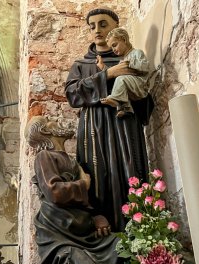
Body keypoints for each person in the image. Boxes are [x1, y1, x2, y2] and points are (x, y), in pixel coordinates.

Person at [65, 8, 149, 232]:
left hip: (125, 124)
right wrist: (108, 75)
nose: (97, 30)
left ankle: (139, 229)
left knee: (129, 169)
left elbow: (145, 97)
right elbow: (73, 95)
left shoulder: (129, 59)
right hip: (95, 126)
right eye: (92, 26)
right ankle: (101, 223)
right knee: (98, 174)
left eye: (103, 24)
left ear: (116, 28)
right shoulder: (81, 65)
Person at [25, 116, 118, 264]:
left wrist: (96, 218)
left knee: (123, 247)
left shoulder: (72, 161)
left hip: (83, 229)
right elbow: (55, 193)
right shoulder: (44, 156)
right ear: (46, 131)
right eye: (49, 120)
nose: (56, 120)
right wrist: (84, 183)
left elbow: (84, 201)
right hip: (59, 233)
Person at [98, 27, 149, 117]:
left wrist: (129, 64)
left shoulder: (137, 52)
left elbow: (145, 67)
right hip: (131, 86)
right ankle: (126, 108)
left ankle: (115, 100)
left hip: (140, 85)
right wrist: (103, 67)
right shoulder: (124, 59)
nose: (113, 50)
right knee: (120, 80)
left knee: (121, 79)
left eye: (114, 45)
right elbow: (115, 73)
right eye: (111, 48)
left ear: (124, 40)